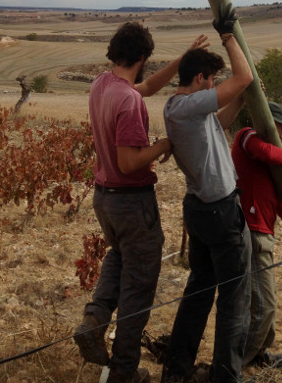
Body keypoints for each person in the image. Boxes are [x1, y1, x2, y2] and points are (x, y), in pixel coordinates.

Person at [74, 21, 208, 383]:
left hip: (105, 200)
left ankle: (94, 319)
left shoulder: (103, 83)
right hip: (133, 202)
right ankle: (124, 372)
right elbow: (129, 162)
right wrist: (165, 145)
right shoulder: (129, 102)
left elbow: (146, 86)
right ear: (143, 56)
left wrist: (182, 59)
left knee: (118, 257)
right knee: (139, 286)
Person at [160, 4, 254, 383]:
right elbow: (245, 75)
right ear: (199, 79)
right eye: (212, 80)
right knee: (234, 298)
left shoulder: (182, 110)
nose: (215, 85)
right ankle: (226, 377)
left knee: (199, 290)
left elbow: (219, 123)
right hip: (219, 211)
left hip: (200, 210)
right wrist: (229, 36)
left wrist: (241, 102)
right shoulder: (187, 105)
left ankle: (177, 370)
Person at [231, 101, 282, 369]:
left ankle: (259, 352)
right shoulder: (247, 136)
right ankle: (236, 365)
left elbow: (280, 201)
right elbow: (269, 152)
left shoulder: (267, 158)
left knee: (265, 302)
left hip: (263, 233)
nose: (279, 136)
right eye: (277, 128)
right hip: (253, 232)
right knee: (263, 306)